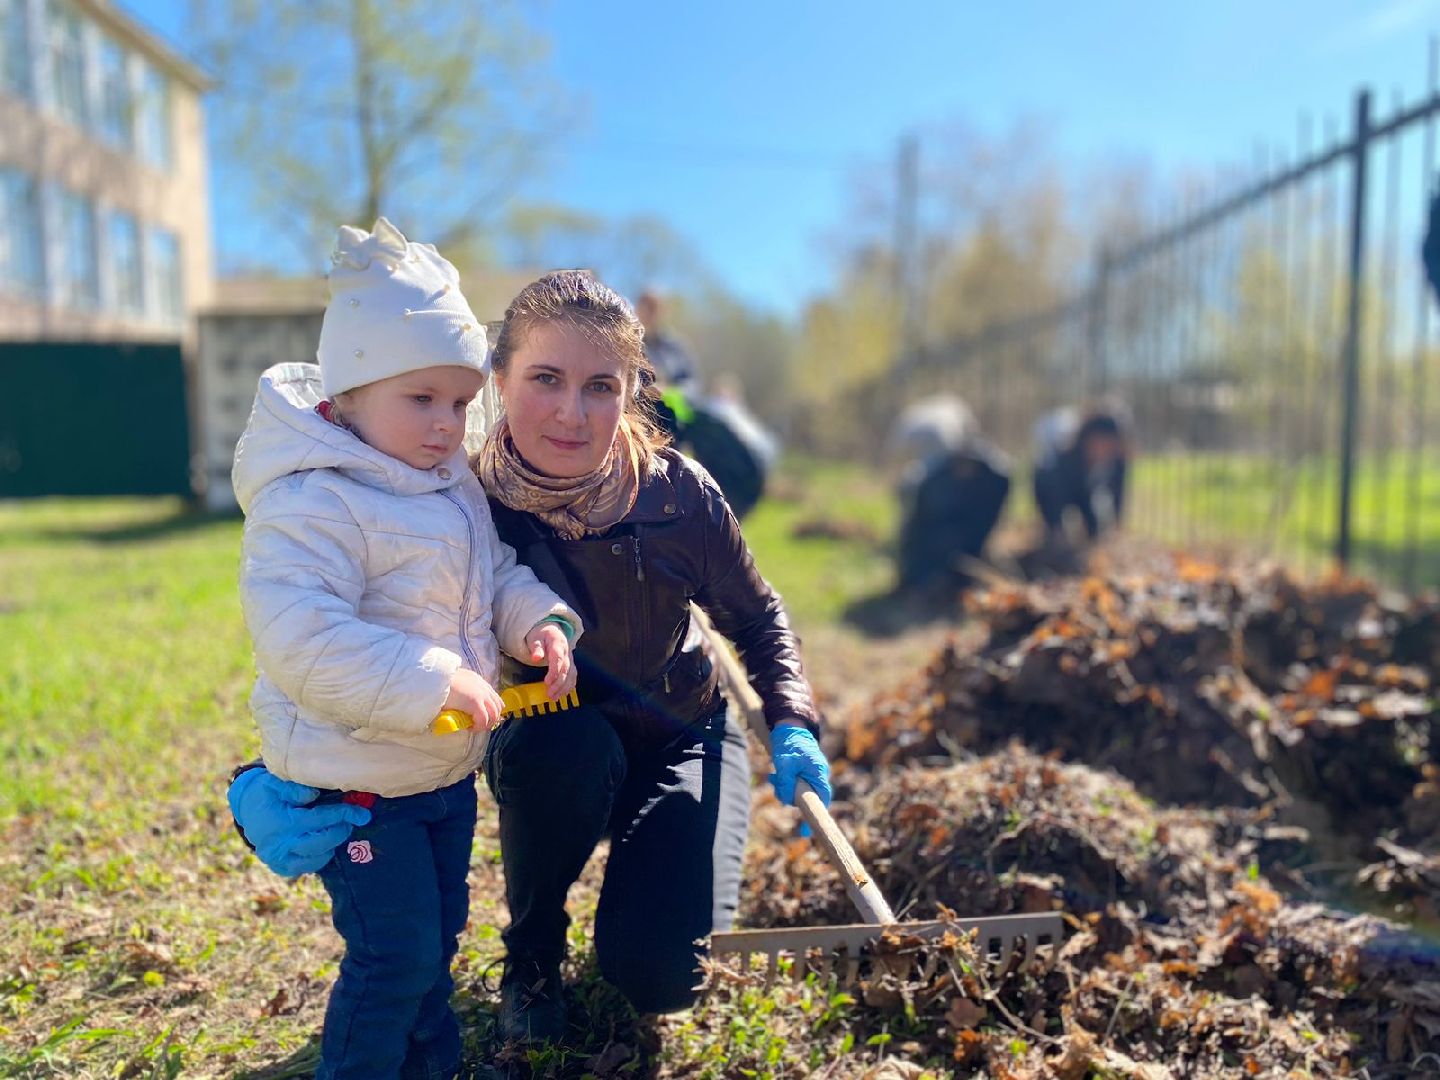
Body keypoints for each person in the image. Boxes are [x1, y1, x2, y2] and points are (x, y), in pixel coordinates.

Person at [228, 269, 833, 1049]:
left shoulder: (681, 497)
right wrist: (256, 779)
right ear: (500, 380)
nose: (572, 413)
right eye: (545, 378)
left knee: (656, 977)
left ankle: (651, 876)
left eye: (601, 386)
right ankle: (534, 953)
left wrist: (791, 719)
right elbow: (324, 629)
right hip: (551, 741)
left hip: (682, 734)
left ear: (631, 391)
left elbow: (759, 617)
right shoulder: (459, 499)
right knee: (564, 745)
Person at [229, 217, 583, 1080]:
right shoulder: (315, 499)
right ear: (349, 394)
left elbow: (492, 573)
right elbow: (300, 633)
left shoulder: (447, 483)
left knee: (435, 946)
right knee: (391, 960)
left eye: (461, 403)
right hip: (358, 788)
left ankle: (434, 1067)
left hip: (439, 776)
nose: (445, 425)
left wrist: (535, 621)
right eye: (419, 399)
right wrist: (432, 677)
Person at [886, 395, 1011, 595]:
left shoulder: (993, 477)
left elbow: (988, 515)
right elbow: (917, 524)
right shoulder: (928, 478)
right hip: (933, 540)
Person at [1030, 402, 1132, 545]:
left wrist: (1117, 523)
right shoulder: (1066, 457)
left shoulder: (1117, 461)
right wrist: (1056, 525)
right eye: (1097, 443)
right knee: (1056, 534)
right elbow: (1052, 492)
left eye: (1108, 444)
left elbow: (1118, 491)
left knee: (1094, 529)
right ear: (1084, 440)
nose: (1101, 450)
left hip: (1084, 493)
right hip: (1054, 490)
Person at [635, 288, 699, 391]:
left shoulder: (675, 348)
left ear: (662, 311)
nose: (648, 313)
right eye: (645, 306)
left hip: (668, 404)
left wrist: (667, 391)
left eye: (653, 308)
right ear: (637, 309)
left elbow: (691, 385)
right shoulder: (628, 344)